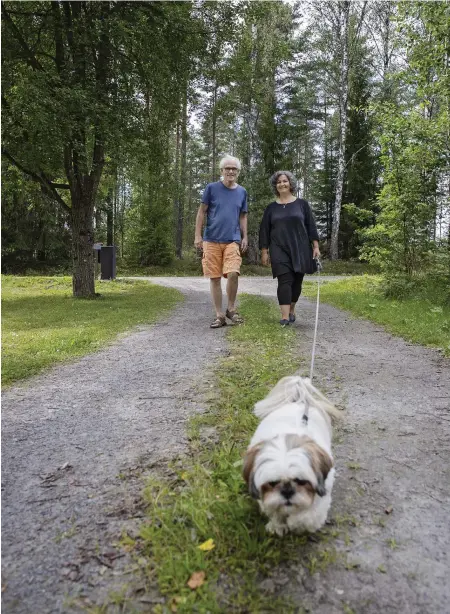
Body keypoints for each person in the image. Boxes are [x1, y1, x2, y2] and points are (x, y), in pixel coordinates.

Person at [259, 171, 320, 326]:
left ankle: (292, 308)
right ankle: (285, 317)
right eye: (278, 182)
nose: (282, 184)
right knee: (284, 280)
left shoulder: (302, 204)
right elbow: (264, 230)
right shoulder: (271, 208)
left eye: (285, 181)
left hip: (300, 247)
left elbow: (311, 226)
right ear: (275, 186)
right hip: (278, 248)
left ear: (290, 183)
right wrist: (264, 251)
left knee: (296, 281)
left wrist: (315, 246)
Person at [194, 155, 248, 328]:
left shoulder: (242, 192)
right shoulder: (211, 188)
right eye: (227, 168)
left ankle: (231, 309)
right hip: (211, 239)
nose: (230, 171)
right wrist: (197, 236)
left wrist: (245, 236)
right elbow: (201, 212)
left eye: (234, 169)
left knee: (233, 272)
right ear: (222, 171)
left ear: (238, 172)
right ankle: (219, 315)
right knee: (215, 277)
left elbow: (243, 216)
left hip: (232, 239)